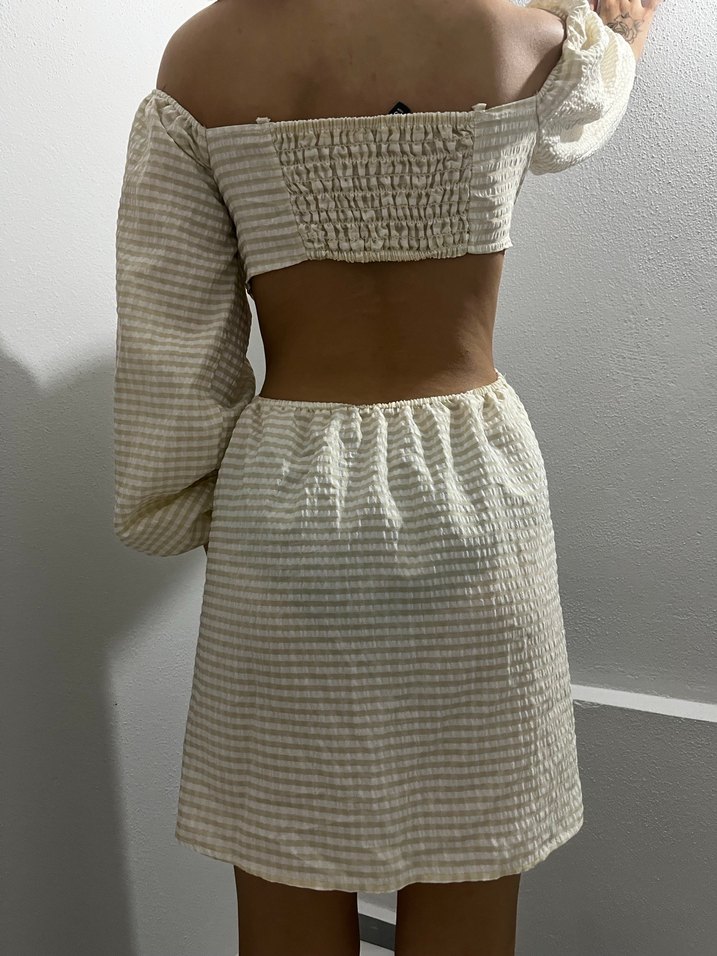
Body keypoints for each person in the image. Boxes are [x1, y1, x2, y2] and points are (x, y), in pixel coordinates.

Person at [112, 1, 664, 953]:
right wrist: (623, 31)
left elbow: (174, 347)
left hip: (286, 512)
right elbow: (589, 105)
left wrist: (188, 501)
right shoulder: (518, 37)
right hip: (476, 500)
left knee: (284, 865)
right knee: (471, 868)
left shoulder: (202, 56)